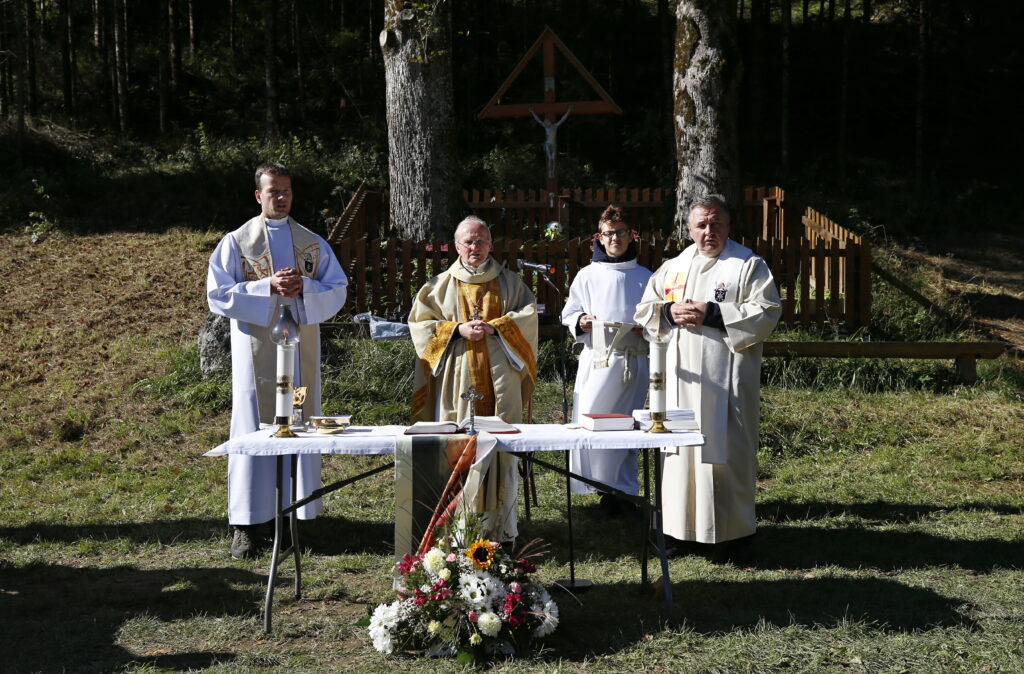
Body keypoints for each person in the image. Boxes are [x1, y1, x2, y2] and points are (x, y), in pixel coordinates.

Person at [207, 162, 348, 559]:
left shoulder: (311, 243)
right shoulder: (236, 243)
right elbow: (218, 294)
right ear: (258, 195)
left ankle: (295, 521)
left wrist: (307, 286)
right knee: (253, 426)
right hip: (255, 355)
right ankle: (248, 523)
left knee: (298, 422)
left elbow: (337, 290)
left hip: (298, 355)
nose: (281, 198)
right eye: (273, 192)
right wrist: (265, 286)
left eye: (286, 191)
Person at [635, 194, 780, 552]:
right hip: (680, 380)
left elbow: (767, 310)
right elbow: (645, 311)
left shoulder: (747, 265)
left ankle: (731, 534)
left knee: (727, 446)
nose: (709, 231)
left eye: (716, 224)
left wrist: (713, 314)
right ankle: (676, 531)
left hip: (726, 379)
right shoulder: (673, 267)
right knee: (679, 451)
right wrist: (669, 312)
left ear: (728, 226)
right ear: (689, 229)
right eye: (701, 225)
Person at [407, 216, 538, 542]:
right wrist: (456, 330)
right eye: (467, 241)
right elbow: (420, 325)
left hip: (499, 385)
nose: (474, 247)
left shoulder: (510, 283)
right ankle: (454, 529)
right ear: (456, 245)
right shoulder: (439, 286)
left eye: (480, 241)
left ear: (491, 244)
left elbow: (528, 317)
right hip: (456, 381)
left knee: (499, 446)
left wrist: (497, 327)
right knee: (456, 447)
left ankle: (500, 528)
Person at [560, 205, 651, 519]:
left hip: (633, 361)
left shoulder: (646, 277)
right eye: (609, 234)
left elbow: (656, 317)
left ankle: (624, 492)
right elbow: (569, 313)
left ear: (631, 235)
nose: (615, 239)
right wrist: (581, 321)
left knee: (627, 427)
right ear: (599, 237)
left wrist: (646, 330)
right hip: (599, 361)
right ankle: (602, 489)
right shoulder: (588, 275)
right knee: (596, 424)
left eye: (621, 232)